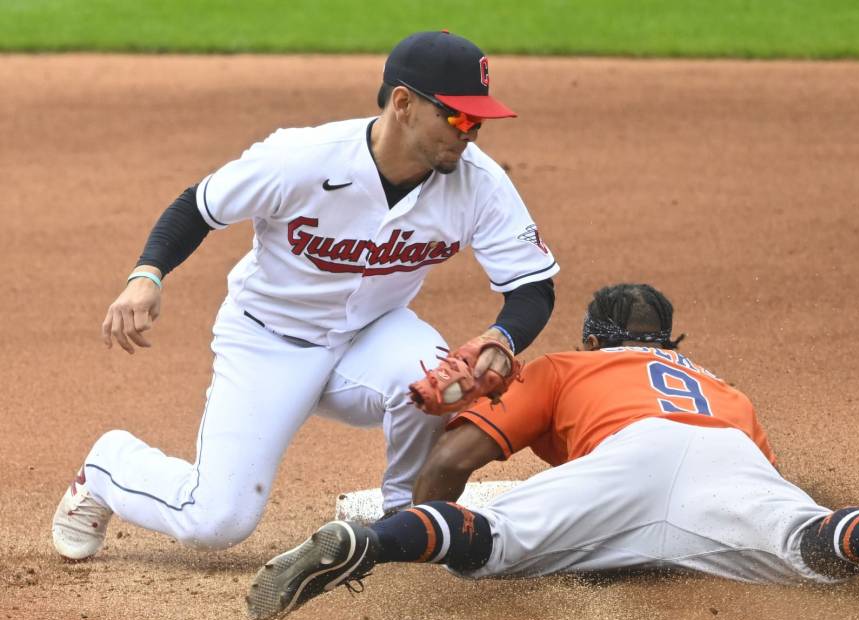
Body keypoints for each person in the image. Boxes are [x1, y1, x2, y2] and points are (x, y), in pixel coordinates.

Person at [51, 31, 558, 560]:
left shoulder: (480, 183)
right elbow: (198, 206)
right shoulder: (301, 158)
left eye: (478, 121)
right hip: (269, 341)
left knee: (436, 379)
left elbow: (532, 287)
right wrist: (147, 275)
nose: (470, 133)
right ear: (404, 104)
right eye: (457, 117)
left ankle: (402, 518)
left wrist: (502, 337)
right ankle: (109, 467)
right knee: (217, 522)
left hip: (373, 336)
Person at [245, 283, 859, 620]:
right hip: (726, 454)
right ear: (671, 343)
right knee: (807, 544)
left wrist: (420, 516)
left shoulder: (569, 366)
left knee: (492, 542)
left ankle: (365, 544)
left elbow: (452, 459)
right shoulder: (720, 386)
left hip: (624, 462)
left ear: (592, 336)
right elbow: (763, 479)